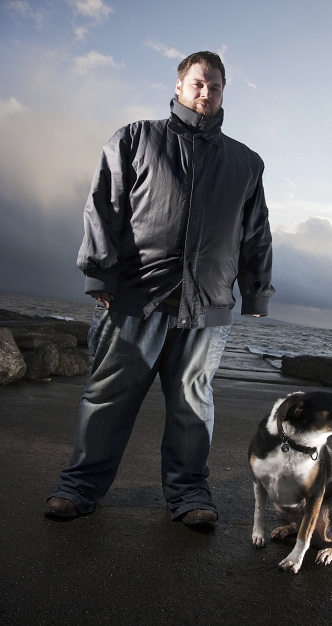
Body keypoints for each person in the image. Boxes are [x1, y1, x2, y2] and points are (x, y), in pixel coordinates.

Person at [45, 51, 274, 526]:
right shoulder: (135, 138)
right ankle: (79, 488)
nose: (205, 92)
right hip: (134, 298)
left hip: (206, 307)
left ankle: (190, 495)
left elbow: (256, 232)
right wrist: (100, 274)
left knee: (193, 404)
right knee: (107, 399)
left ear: (223, 91)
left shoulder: (246, 162)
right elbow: (103, 205)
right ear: (179, 86)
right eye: (197, 83)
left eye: (214, 85)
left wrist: (256, 292)